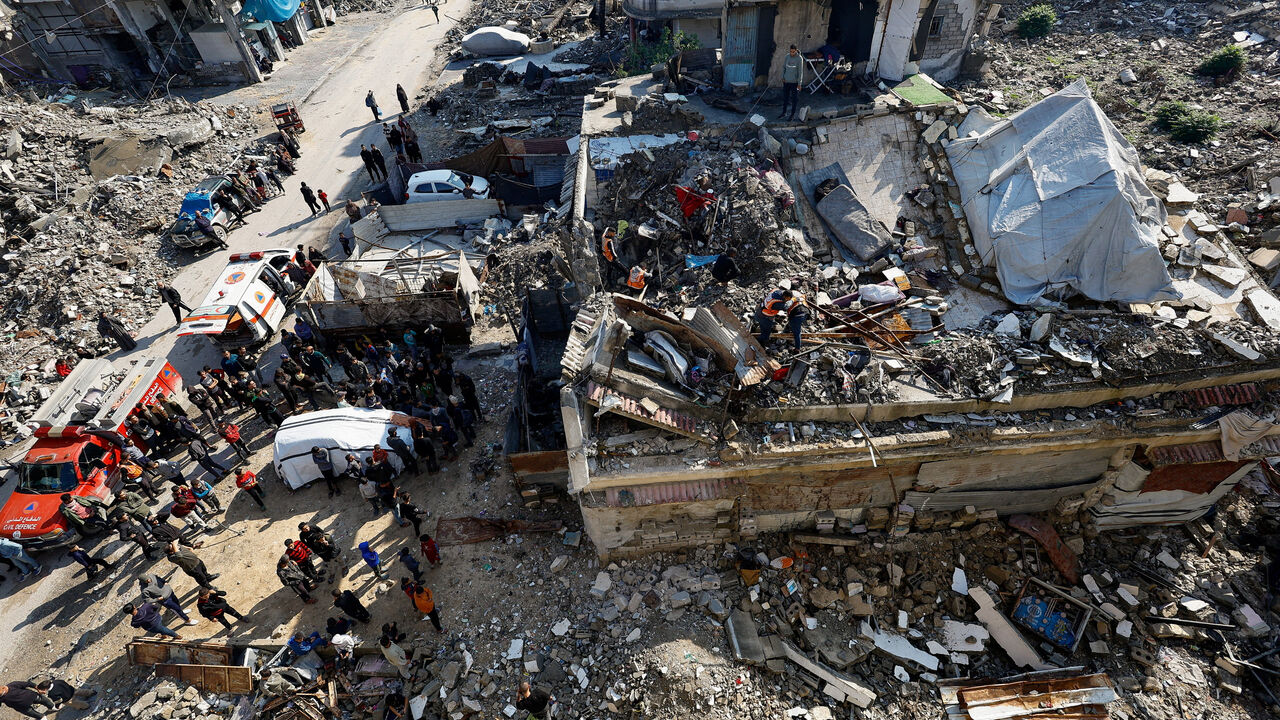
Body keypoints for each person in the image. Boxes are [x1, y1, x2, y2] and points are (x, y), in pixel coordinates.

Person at [781, 45, 802, 121]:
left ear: (796, 51)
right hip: (786, 81)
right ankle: (784, 112)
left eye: (793, 52)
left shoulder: (799, 59)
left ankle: (792, 115)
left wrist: (799, 83)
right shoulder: (787, 57)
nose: (792, 53)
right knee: (785, 98)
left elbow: (800, 72)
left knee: (794, 99)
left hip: (795, 83)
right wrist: (782, 76)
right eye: (790, 51)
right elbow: (784, 67)